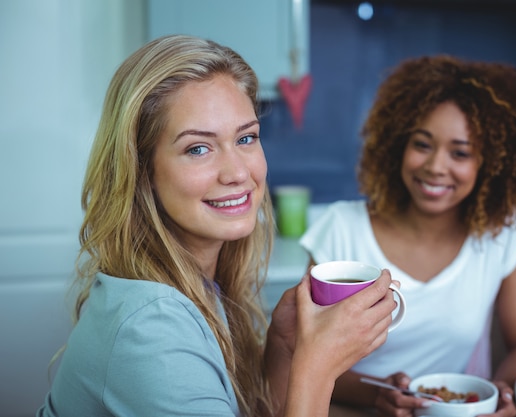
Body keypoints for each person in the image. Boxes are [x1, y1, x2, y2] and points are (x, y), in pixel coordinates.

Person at [37, 34, 399, 417]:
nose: (239, 172)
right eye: (198, 148)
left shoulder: (199, 288)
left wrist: (282, 349)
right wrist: (318, 368)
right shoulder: (151, 330)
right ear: (142, 171)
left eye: (246, 138)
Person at [300, 55, 516, 416]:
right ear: (397, 145)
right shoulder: (341, 229)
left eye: (460, 152)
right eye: (422, 144)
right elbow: (304, 354)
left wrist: (501, 392)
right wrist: (377, 395)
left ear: (492, 164)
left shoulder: (501, 235)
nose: (435, 166)